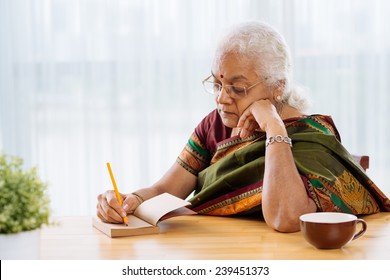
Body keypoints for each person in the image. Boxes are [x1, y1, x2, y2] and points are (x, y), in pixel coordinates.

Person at [96, 21, 390, 233]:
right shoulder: (217, 124)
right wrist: (128, 200)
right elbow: (165, 190)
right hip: (220, 253)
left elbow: (286, 218)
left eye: (237, 87)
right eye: (216, 83)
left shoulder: (311, 136)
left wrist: (274, 128)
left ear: (278, 87)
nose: (222, 98)